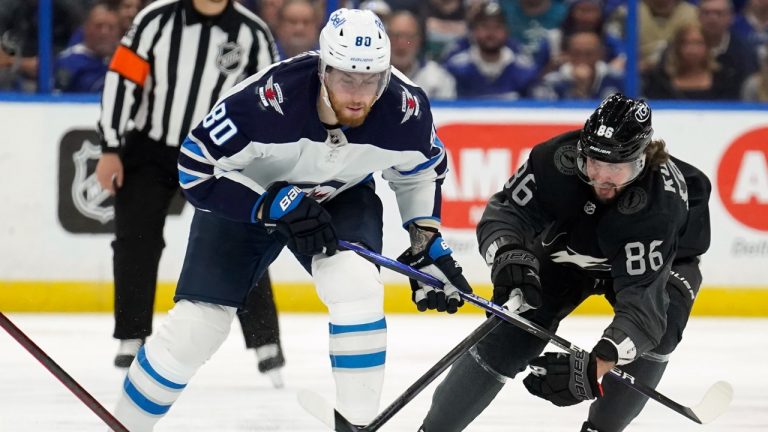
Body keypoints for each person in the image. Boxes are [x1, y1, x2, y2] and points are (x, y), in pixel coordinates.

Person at [109, 8, 472, 431]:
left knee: (355, 285)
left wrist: (424, 238)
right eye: (345, 78)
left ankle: (357, 423)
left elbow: (421, 171)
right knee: (198, 326)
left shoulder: (405, 109)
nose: (358, 93)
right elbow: (194, 166)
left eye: (371, 79)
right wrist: (268, 203)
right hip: (249, 195)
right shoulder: (266, 100)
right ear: (323, 68)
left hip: (340, 194)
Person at [419, 93, 712, 432]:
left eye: (616, 168)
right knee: (510, 330)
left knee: (661, 328)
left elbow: (643, 309)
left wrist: (597, 366)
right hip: (570, 251)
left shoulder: (659, 207)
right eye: (593, 163)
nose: (602, 179)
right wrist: (508, 253)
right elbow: (507, 212)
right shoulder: (555, 160)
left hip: (666, 260)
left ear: (642, 159)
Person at [94, 0, 287, 387]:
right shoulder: (155, 19)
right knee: (136, 238)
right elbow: (122, 78)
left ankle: (266, 341)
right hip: (151, 149)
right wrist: (111, 146)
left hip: (219, 159)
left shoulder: (253, 33)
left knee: (242, 241)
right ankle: (132, 336)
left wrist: (270, 164)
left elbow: (274, 100)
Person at [55, 1, 120, 93]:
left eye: (111, 27)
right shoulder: (69, 62)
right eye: (99, 26)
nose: (104, 32)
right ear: (86, 28)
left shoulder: (123, 60)